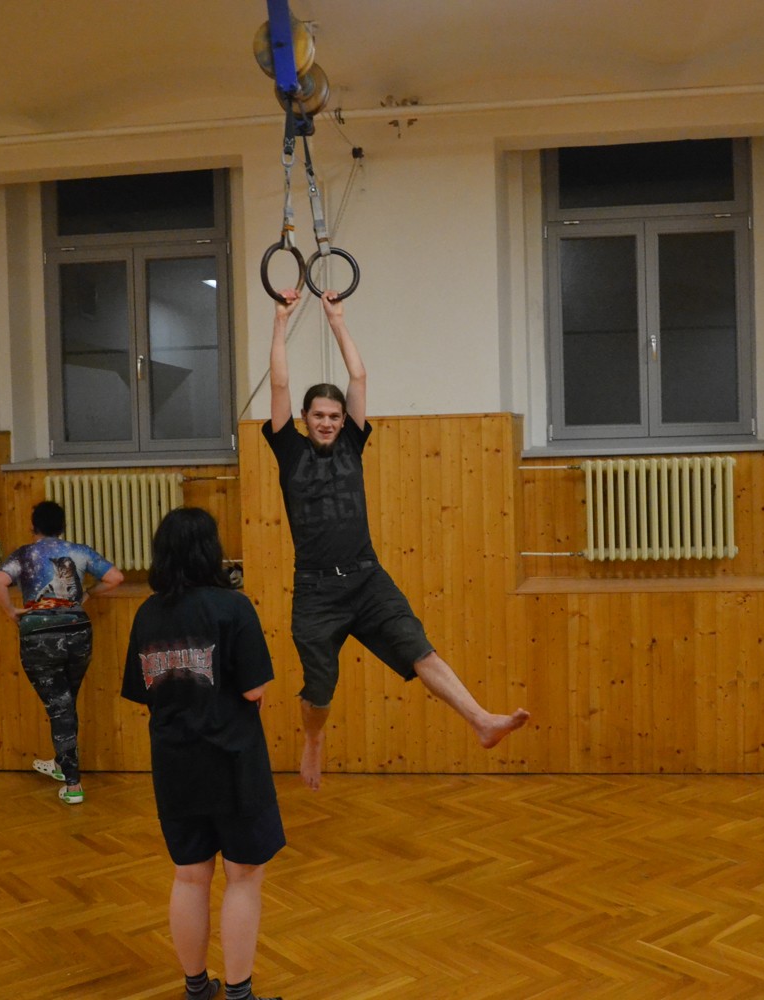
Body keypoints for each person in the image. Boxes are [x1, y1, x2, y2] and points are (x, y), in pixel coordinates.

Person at [265, 288, 530, 790]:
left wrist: (337, 320)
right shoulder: (289, 450)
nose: (327, 422)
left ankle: (480, 720)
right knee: (319, 689)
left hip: (367, 579)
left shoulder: (352, 443)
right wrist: (281, 321)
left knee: (419, 649)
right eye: (319, 415)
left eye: (334, 416)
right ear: (304, 419)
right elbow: (279, 381)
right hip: (316, 591)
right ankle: (314, 740)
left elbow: (359, 377)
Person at [122, 507, 284, 1000]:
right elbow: (254, 689)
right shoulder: (233, 606)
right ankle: (239, 994)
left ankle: (196, 988)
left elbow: (143, 690)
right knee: (243, 876)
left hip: (175, 764)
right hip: (232, 761)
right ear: (209, 551)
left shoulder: (147, 614)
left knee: (190, 877)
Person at [0, 500, 124, 805]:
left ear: (32, 526)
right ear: (62, 526)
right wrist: (88, 594)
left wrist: (11, 612)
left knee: (60, 707)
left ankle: (73, 784)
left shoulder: (24, 554)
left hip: (40, 636)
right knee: (65, 702)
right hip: (79, 634)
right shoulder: (79, 551)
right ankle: (62, 763)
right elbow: (115, 578)